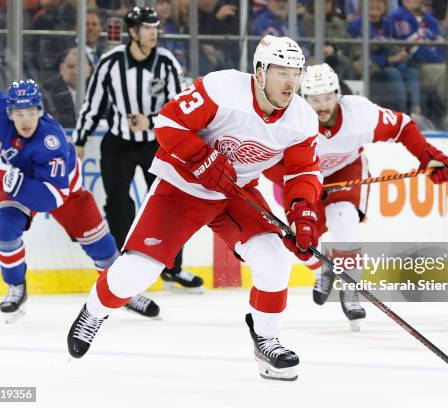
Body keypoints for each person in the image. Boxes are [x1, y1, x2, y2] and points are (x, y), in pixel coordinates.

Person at [67, 35, 322, 382]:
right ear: (259, 72)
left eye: (295, 72)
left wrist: (303, 212)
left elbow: (302, 171)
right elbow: (168, 123)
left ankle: (266, 339)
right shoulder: (223, 89)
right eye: (281, 72)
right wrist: (202, 159)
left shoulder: (301, 119)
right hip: (181, 187)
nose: (290, 82)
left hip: (236, 193)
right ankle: (94, 311)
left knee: (273, 257)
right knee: (136, 273)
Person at [265, 63, 448, 330]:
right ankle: (322, 268)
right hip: (302, 177)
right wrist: (306, 184)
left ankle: (351, 286)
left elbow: (402, 127)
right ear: (303, 99)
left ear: (338, 93)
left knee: (344, 222)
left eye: (328, 97)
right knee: (301, 239)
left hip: (346, 170)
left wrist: (430, 158)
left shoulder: (360, 114)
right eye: (315, 99)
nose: (322, 106)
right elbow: (269, 163)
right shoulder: (289, 120)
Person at [0, 80, 160, 322]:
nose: (26, 121)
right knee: (5, 228)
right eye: (20, 114)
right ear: (9, 112)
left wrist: (3, 180)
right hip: (21, 180)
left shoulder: (49, 140)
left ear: (40, 112)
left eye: (32, 113)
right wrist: (9, 180)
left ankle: (123, 294)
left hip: (64, 193)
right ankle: (16, 287)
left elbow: (49, 198)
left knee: (102, 248)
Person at [72, 6, 204, 293]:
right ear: (133, 32)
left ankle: (172, 268)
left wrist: (152, 120)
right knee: (118, 202)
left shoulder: (167, 63)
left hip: (158, 142)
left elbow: (181, 108)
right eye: (147, 27)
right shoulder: (110, 63)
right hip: (118, 142)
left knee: (167, 203)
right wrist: (80, 140)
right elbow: (93, 104)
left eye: (156, 27)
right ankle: (127, 267)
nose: (154, 33)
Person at [42, 47, 91, 128]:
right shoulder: (47, 91)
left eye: (80, 67)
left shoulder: (100, 90)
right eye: (70, 67)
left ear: (89, 70)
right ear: (61, 68)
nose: (75, 72)